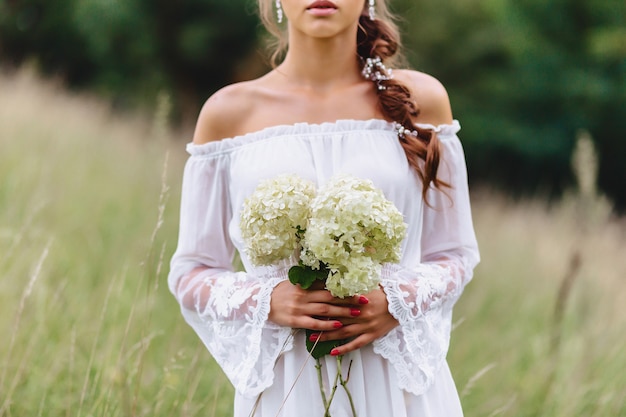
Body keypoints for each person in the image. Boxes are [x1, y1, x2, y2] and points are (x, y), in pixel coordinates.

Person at [168, 0, 480, 416]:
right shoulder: (229, 113)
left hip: (396, 385)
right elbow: (191, 272)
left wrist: (396, 300)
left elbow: (455, 255)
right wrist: (269, 299)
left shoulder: (421, 101)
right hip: (289, 386)